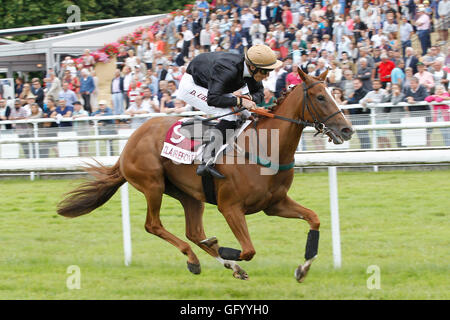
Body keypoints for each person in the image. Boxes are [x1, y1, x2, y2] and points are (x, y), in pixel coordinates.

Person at [177, 44, 280, 178]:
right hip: (193, 86)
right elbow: (213, 99)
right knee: (230, 117)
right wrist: (241, 101)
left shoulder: (252, 69)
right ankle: (205, 161)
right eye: (265, 72)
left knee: (247, 115)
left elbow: (259, 94)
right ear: (253, 67)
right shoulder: (228, 69)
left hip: (214, 87)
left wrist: (247, 97)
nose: (267, 75)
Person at [382, 83, 406, 148]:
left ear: (399, 89)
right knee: (397, 136)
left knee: (401, 137)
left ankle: (403, 149)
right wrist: (386, 93)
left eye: (396, 88)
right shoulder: (391, 95)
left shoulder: (402, 95)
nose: (394, 90)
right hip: (393, 119)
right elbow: (383, 101)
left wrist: (394, 95)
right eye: (393, 88)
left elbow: (394, 102)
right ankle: (400, 148)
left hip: (400, 119)